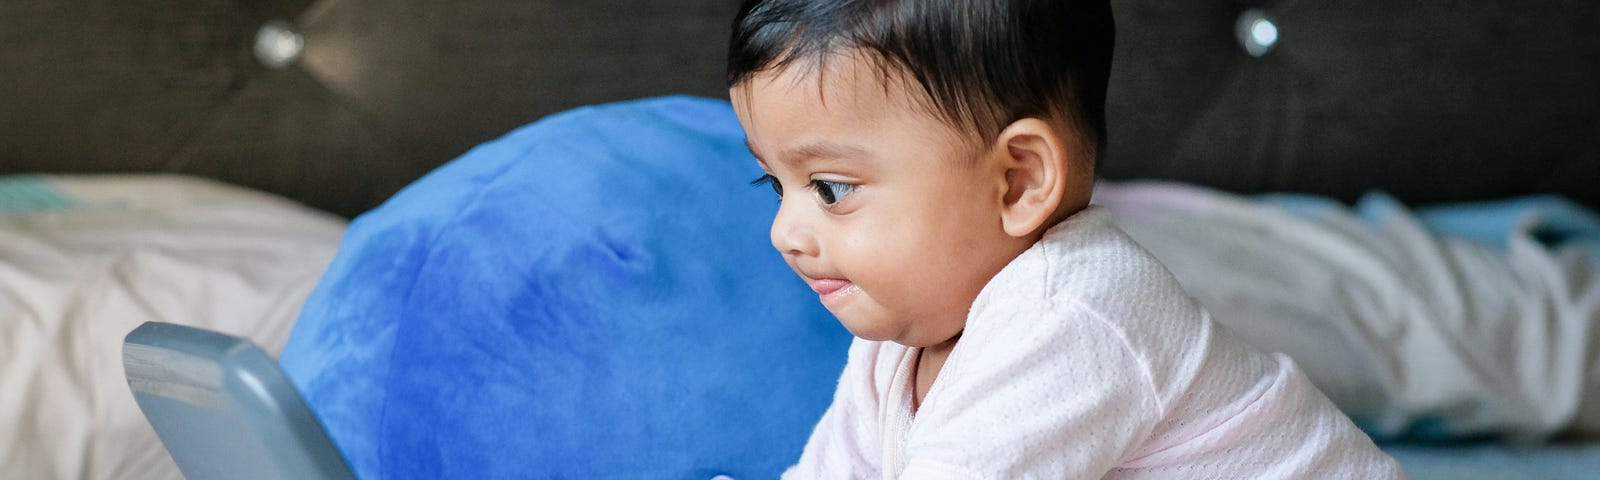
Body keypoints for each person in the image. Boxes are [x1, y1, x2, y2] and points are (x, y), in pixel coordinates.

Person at [725, 0, 1405, 477]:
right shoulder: (896, 345)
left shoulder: (1072, 316)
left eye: (831, 189)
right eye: (774, 186)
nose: (785, 233)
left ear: (1017, 181)